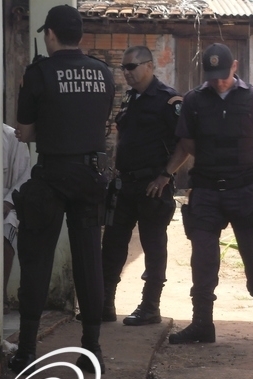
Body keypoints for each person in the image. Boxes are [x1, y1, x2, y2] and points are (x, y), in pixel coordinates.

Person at [146, 43, 253, 344]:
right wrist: (205, 161)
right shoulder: (194, 100)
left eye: (223, 74)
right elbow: (187, 142)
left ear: (235, 66)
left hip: (243, 189)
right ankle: (202, 324)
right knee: (203, 260)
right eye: (213, 75)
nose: (218, 81)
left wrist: (244, 158)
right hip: (206, 189)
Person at [9, 5, 115, 374]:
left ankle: (26, 351)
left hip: (52, 175)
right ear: (80, 35)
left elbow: (24, 132)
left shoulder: (39, 73)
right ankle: (92, 350)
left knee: (36, 261)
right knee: (89, 262)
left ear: (50, 35)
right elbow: (98, 121)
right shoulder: (103, 72)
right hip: (90, 176)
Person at [100, 45, 181, 326]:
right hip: (124, 184)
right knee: (112, 245)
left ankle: (150, 307)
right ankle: (105, 304)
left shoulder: (168, 100)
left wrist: (166, 175)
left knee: (153, 247)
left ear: (149, 66)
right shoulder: (129, 98)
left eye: (131, 67)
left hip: (152, 187)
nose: (126, 72)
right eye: (123, 67)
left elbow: (185, 144)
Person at [2, 123, 31, 315]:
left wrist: (7, 202)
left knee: (6, 235)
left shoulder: (12, 136)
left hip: (6, 204)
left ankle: (1, 293)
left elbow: (25, 176)